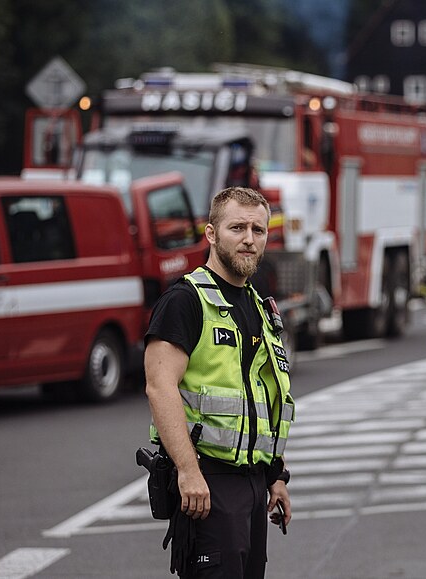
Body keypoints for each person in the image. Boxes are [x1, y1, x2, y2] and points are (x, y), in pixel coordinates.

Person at [144, 186, 294, 578]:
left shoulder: (260, 307)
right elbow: (160, 387)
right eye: (237, 228)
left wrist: (276, 474)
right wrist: (188, 471)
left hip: (252, 484)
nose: (249, 239)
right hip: (207, 483)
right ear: (211, 234)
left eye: (258, 230)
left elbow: (260, 398)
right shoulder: (185, 300)